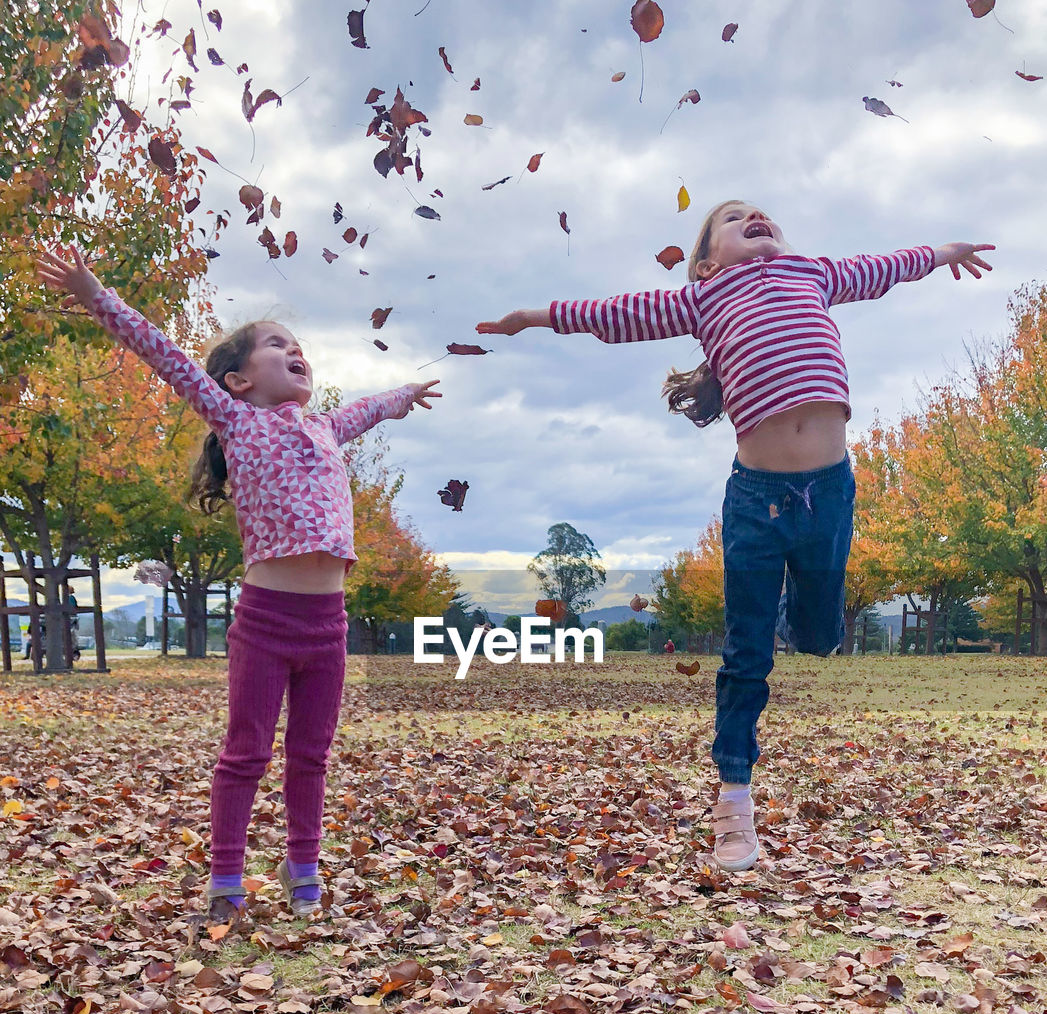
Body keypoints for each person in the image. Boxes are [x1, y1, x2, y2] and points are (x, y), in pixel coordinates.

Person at [477, 201, 993, 873]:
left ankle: (790, 619)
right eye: (732, 217)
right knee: (745, 658)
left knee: (818, 637)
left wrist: (941, 253)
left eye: (761, 212)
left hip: (829, 493)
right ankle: (734, 807)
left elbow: (885, 266)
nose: (754, 215)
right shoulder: (702, 297)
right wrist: (535, 317)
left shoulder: (814, 273)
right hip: (755, 501)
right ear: (705, 262)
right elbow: (613, 316)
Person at [37, 245, 440, 920]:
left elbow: (367, 409)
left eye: (299, 346)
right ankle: (226, 877)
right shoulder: (237, 421)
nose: (296, 351)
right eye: (277, 344)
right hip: (265, 621)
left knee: (310, 755)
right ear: (238, 382)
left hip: (328, 627)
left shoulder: (326, 428)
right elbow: (160, 353)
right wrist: (93, 293)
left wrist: (402, 396)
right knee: (246, 752)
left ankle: (302, 866)